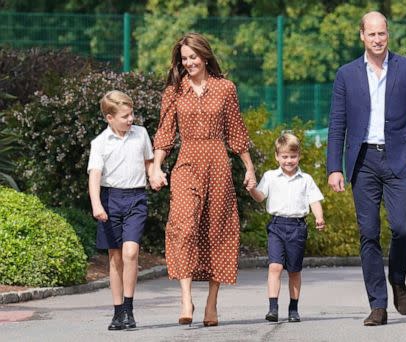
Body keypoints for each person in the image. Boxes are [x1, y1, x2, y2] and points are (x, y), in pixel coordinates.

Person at [326, 11, 406, 326]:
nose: (378, 40)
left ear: (388, 34)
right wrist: (334, 167)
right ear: (362, 36)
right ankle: (378, 305)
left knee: (403, 227)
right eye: (372, 34)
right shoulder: (346, 74)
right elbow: (337, 124)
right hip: (363, 161)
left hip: (401, 158)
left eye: (383, 34)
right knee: (368, 234)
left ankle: (398, 278)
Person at [148, 32, 256, 327]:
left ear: (205, 56)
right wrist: (157, 166)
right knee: (183, 224)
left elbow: (235, 132)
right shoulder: (174, 91)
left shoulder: (225, 89)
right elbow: (166, 132)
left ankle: (211, 303)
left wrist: (249, 168)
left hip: (218, 163)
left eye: (193, 57)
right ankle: (186, 298)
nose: (189, 62)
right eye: (184, 59)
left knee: (216, 229)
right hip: (187, 162)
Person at [87, 90, 154, 330]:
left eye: (131, 114)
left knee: (130, 253)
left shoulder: (141, 134)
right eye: (125, 116)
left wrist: (154, 174)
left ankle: (129, 308)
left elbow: (149, 161)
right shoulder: (100, 143)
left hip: (136, 197)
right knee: (115, 257)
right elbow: (94, 176)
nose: (130, 119)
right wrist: (97, 204)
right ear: (109, 117)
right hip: (110, 199)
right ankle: (117, 313)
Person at [248, 132, 325, 323]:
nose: (289, 161)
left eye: (293, 156)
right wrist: (251, 189)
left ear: (298, 156)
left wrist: (319, 217)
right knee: (274, 266)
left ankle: (293, 308)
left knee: (294, 271)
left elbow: (314, 200)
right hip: (277, 225)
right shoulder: (270, 176)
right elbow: (260, 196)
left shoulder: (305, 179)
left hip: (297, 227)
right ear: (277, 156)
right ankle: (273, 308)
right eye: (284, 156)